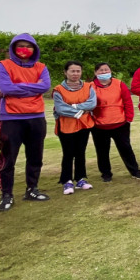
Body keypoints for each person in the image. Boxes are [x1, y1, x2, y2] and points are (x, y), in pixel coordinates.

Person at [0, 33, 51, 211]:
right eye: (20, 45)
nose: (24, 49)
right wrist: (32, 88)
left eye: (28, 46)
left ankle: (32, 189)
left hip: (36, 117)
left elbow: (45, 86)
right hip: (11, 118)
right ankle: (6, 195)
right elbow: (5, 88)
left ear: (34, 49)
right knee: (8, 159)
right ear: (13, 48)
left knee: (35, 157)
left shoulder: (41, 67)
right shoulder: (3, 66)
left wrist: (17, 88)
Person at [91, 63, 140, 182]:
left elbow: (127, 102)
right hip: (99, 126)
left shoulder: (119, 84)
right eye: (101, 70)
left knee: (126, 149)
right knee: (102, 151)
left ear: (110, 71)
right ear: (95, 73)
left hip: (120, 124)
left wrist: (129, 119)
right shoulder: (90, 86)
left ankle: (135, 171)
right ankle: (106, 174)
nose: (104, 72)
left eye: (106, 70)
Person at [53, 61, 97, 195]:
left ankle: (80, 179)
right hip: (66, 125)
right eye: (72, 71)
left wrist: (72, 106)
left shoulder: (89, 86)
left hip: (84, 125)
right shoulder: (58, 90)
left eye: (78, 71)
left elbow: (92, 103)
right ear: (65, 72)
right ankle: (66, 180)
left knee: (80, 152)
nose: (75, 74)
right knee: (68, 153)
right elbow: (60, 109)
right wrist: (80, 111)